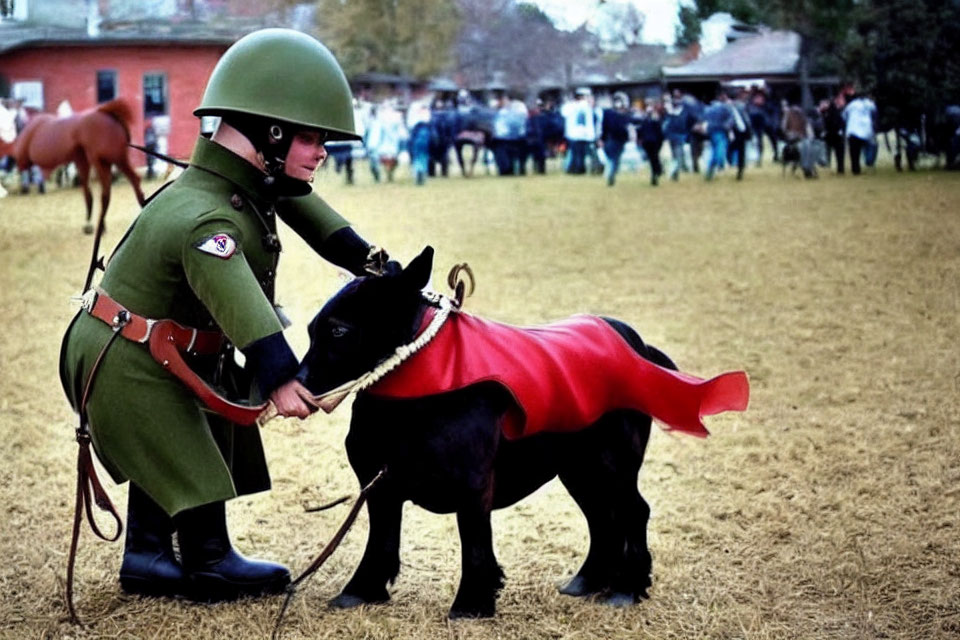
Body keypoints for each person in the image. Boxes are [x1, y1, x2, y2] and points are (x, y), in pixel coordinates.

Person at [59, 29, 395, 603]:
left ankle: (147, 553)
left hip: (153, 347)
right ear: (270, 134)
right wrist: (283, 378)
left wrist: (382, 270)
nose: (321, 153)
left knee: (198, 410)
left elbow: (322, 223)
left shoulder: (245, 181)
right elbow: (236, 292)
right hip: (123, 356)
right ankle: (207, 559)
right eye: (311, 138)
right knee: (178, 429)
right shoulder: (205, 217)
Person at [598, 92, 632, 186]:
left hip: (616, 140)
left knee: (613, 159)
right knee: (614, 159)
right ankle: (611, 174)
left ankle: (610, 173)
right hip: (614, 139)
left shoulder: (611, 113)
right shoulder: (617, 114)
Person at [843, 91, 877, 175]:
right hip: (866, 130)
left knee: (854, 152)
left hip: (853, 130)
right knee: (870, 147)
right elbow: (875, 113)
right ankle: (869, 162)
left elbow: (844, 115)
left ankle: (855, 169)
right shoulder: (870, 104)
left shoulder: (851, 105)